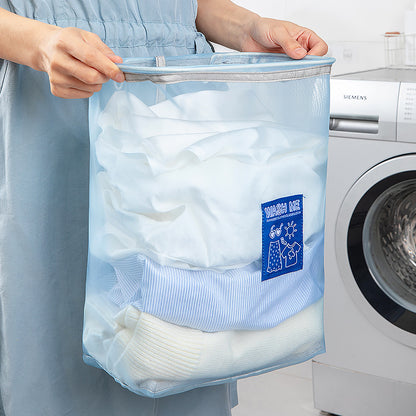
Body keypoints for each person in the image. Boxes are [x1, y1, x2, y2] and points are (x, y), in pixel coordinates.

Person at [0, 1, 327, 415]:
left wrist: (249, 27)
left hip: (185, 96)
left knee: (196, 337)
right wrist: (38, 42)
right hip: (62, 87)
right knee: (61, 349)